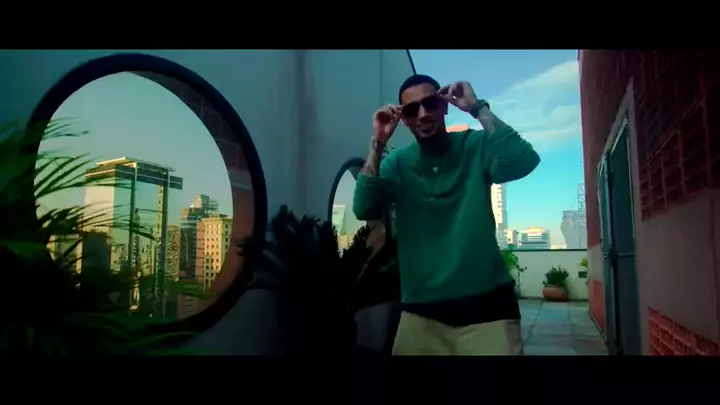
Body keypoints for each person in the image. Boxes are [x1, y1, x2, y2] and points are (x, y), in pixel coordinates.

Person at [352, 74, 540, 355]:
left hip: (488, 307)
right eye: (412, 110)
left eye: (430, 104)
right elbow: (363, 208)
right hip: (421, 312)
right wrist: (378, 142)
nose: (423, 114)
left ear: (444, 106)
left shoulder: (474, 146)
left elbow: (523, 160)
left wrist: (477, 107)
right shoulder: (397, 164)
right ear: (404, 119)